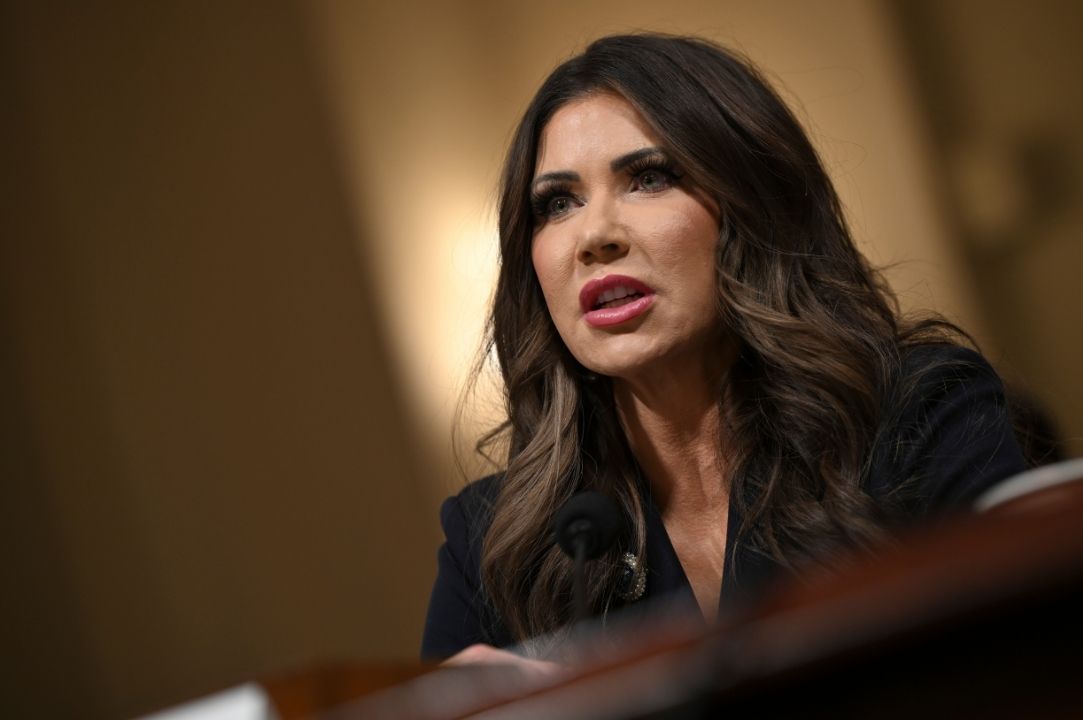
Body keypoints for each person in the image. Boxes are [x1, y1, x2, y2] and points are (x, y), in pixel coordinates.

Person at [420, 34, 1026, 670]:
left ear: (751, 207)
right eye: (558, 203)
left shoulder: (915, 415)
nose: (594, 236)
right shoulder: (495, 539)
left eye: (649, 178)